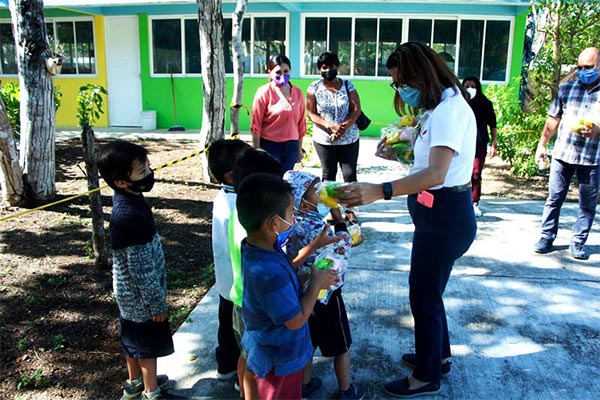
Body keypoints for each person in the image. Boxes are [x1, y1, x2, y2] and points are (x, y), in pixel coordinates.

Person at [334, 42, 477, 398]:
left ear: (422, 75)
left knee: (423, 295)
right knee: (431, 292)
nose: (401, 90)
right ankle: (437, 355)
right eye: (396, 84)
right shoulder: (442, 106)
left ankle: (426, 376)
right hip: (440, 215)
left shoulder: (448, 111)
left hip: (444, 217)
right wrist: (400, 153)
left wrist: (379, 190)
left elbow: (436, 174)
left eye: (403, 82)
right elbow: (430, 162)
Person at [236, 173, 339, 400]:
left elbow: (286, 267)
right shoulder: (269, 272)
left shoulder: (256, 248)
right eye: (291, 213)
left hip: (262, 345)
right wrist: (316, 284)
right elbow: (295, 320)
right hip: (279, 362)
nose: (293, 220)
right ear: (274, 223)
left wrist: (314, 246)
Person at [96, 140, 174, 400]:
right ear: (121, 181)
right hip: (141, 301)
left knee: (132, 341)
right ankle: (151, 392)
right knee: (146, 348)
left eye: (148, 167)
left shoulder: (129, 200)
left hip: (127, 297)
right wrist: (156, 305)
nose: (149, 174)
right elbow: (141, 271)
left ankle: (134, 383)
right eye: (142, 172)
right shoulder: (130, 217)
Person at [283, 170, 365, 400]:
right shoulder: (319, 228)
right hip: (326, 295)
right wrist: (339, 219)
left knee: (307, 341)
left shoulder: (291, 224)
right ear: (304, 202)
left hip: (301, 292)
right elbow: (344, 244)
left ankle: (305, 384)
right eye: (316, 191)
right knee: (341, 345)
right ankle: (346, 389)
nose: (321, 193)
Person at [534, 47, 600, 260]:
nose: (583, 71)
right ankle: (546, 236)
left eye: (588, 68)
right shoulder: (567, 89)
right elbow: (553, 119)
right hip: (563, 154)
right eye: (579, 67)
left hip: (592, 158)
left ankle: (578, 241)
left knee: (587, 204)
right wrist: (542, 144)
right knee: (554, 197)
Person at [229, 148, 284, 400]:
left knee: (246, 354)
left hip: (241, 299)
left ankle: (242, 390)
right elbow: (271, 266)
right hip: (252, 306)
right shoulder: (252, 230)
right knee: (256, 361)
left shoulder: (242, 215)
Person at [207, 139, 251, 386]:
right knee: (242, 332)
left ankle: (225, 366)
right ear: (231, 175)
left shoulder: (222, 196)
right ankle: (242, 380)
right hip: (241, 283)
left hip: (226, 281)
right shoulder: (240, 203)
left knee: (226, 326)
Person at [306, 51, 363, 224]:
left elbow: (356, 109)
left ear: (337, 66)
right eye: (324, 67)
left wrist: (344, 127)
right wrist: (330, 126)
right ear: (319, 69)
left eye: (331, 66)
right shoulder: (313, 88)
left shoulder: (348, 85)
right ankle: (332, 211)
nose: (328, 70)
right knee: (328, 176)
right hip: (325, 139)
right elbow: (310, 113)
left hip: (349, 138)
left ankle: (350, 211)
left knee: (349, 174)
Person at [250, 54, 306, 173]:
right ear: (270, 72)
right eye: (278, 72)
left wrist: (299, 149)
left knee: (285, 181)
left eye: (286, 71)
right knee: (271, 181)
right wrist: (257, 150)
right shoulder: (264, 92)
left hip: (291, 146)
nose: (282, 75)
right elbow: (256, 125)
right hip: (270, 146)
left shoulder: (298, 93)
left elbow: (301, 123)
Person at [462, 76, 498, 217]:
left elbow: (493, 124)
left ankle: (474, 202)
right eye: (467, 86)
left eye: (473, 86)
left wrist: (494, 143)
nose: (470, 89)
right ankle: (461, 201)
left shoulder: (485, 103)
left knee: (476, 173)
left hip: (480, 142)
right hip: (462, 143)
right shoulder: (458, 103)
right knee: (462, 173)